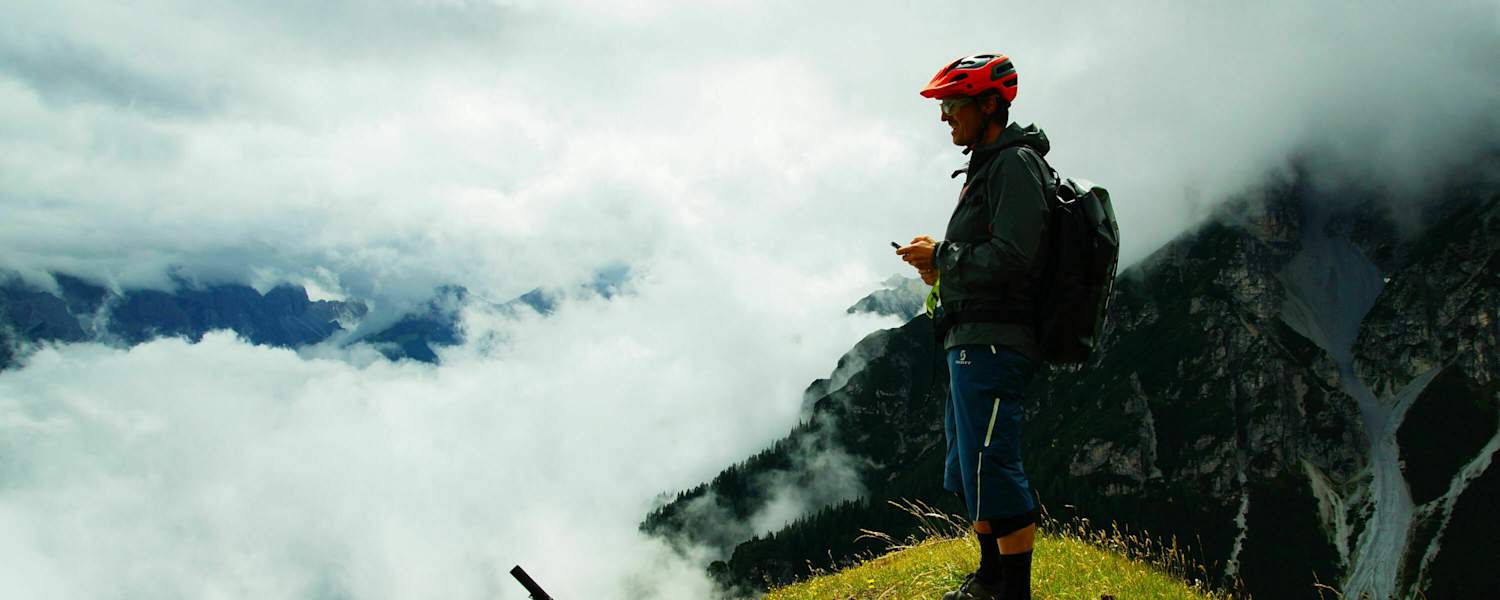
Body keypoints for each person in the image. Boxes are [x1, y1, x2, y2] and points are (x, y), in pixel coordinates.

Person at [896, 52, 1052, 600]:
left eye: (953, 105)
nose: (945, 117)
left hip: (995, 343)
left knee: (993, 463)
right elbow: (988, 255)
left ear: (989, 104)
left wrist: (943, 256)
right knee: (969, 467)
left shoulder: (1014, 165)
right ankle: (989, 579)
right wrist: (938, 264)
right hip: (970, 340)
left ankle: (1014, 592)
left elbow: (1015, 257)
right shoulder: (988, 165)